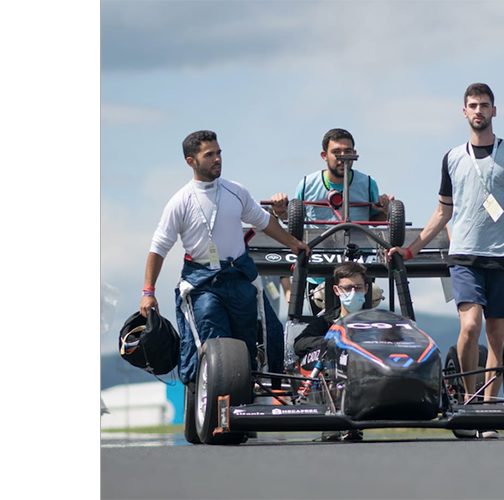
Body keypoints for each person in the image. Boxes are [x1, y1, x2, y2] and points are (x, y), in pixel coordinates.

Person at [387, 83, 504, 439]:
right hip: (465, 256)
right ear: (464, 112)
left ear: (494, 111)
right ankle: (468, 407)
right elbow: (443, 212)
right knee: (470, 326)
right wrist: (411, 249)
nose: (478, 111)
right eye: (472, 105)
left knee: (497, 336)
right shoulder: (453, 158)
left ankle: (487, 411)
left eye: (484, 105)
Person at [139, 130, 310, 386]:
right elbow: (159, 247)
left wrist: (294, 244)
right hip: (203, 284)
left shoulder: (236, 191)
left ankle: (244, 407)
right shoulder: (180, 202)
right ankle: (216, 407)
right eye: (209, 155)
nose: (217, 159)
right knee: (216, 344)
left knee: (245, 348)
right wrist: (148, 291)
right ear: (191, 161)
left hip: (240, 277)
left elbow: (264, 222)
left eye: (219, 153)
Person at [270, 128, 394, 315]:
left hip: (358, 267)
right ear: (324, 155)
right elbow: (295, 221)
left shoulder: (368, 183)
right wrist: (280, 211)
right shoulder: (307, 183)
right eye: (336, 152)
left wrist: (386, 209)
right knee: (322, 325)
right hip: (318, 268)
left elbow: (374, 220)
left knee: (359, 324)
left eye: (348, 152)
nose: (342, 157)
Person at [293, 261, 370, 441]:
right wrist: (334, 340)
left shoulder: (376, 321)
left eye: (358, 287)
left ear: (366, 289)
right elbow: (300, 344)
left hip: (370, 372)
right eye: (347, 288)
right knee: (332, 355)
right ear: (337, 290)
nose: (353, 292)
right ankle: (333, 418)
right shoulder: (325, 322)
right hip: (330, 372)